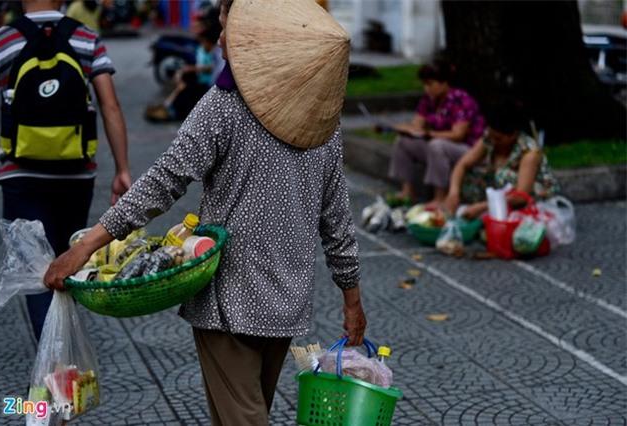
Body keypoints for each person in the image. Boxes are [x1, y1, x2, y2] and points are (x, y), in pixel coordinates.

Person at [44, 0, 366, 424]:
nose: (218, 39)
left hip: (229, 302)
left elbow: (164, 181)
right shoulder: (324, 120)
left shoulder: (225, 105)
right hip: (287, 301)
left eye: (226, 28)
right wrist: (351, 299)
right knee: (244, 414)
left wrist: (85, 246)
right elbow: (338, 221)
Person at [0, 0, 131, 341]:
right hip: (75, 174)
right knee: (70, 262)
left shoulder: (0, 41)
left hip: (20, 175)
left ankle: (52, 362)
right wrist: (122, 168)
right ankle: (64, 352)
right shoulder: (86, 38)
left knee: (37, 272)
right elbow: (109, 104)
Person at [388, 59, 485, 208]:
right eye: (425, 84)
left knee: (436, 145)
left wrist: (429, 133)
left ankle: (440, 197)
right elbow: (417, 124)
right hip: (439, 144)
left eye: (430, 84)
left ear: (444, 82)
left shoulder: (461, 100)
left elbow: (458, 135)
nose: (426, 88)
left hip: (466, 149)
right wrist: (406, 129)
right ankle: (407, 191)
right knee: (403, 141)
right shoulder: (429, 100)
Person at [444, 100, 560, 219]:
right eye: (491, 135)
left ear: (513, 135)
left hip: (532, 195)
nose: (493, 141)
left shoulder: (529, 152)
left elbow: (521, 196)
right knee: (469, 176)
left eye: (498, 139)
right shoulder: (490, 137)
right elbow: (462, 164)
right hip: (503, 191)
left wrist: (481, 207)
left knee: (503, 175)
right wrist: (453, 193)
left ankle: (494, 210)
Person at [145, 11, 224, 122]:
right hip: (210, 84)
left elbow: (215, 72)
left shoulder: (217, 51)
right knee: (184, 85)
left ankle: (169, 110)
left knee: (185, 89)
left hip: (211, 87)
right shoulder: (212, 49)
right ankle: (167, 107)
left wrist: (193, 69)